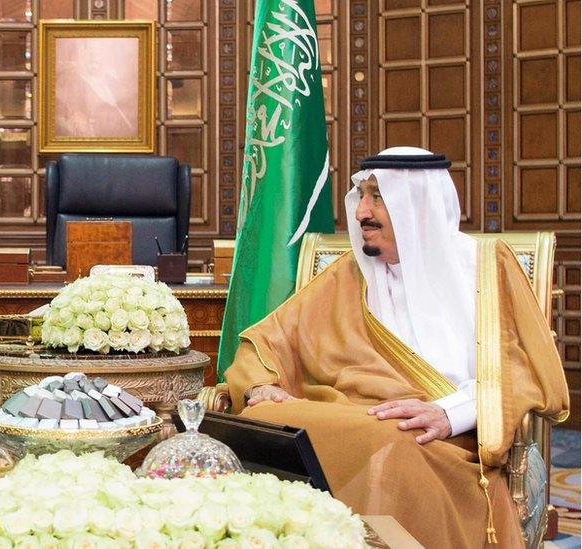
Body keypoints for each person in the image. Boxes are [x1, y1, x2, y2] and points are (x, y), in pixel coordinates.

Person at [226, 147, 569, 548]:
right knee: (267, 418)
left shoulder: (487, 268)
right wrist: (258, 385)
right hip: (350, 417)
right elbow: (268, 339)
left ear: (417, 205)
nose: (361, 213)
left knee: (390, 445)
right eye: (361, 196)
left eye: (378, 197)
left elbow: (526, 370)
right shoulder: (350, 273)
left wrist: (449, 413)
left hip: (439, 438)